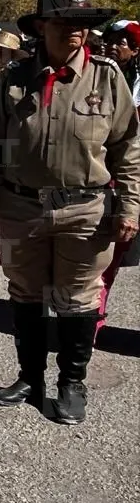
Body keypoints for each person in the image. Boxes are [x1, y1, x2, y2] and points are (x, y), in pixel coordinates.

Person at [0, 0, 140, 425]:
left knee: (77, 297)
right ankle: (30, 377)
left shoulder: (107, 77)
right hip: (19, 207)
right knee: (25, 293)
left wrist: (131, 207)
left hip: (85, 210)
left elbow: (128, 148)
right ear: (42, 27)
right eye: (65, 23)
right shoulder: (13, 79)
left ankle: (72, 382)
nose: (76, 33)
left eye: (83, 25)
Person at [96, 19, 140, 344]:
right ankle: (91, 319)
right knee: (104, 252)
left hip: (133, 175)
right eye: (110, 41)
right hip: (109, 176)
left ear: (135, 50)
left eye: (120, 43)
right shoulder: (97, 78)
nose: (112, 47)